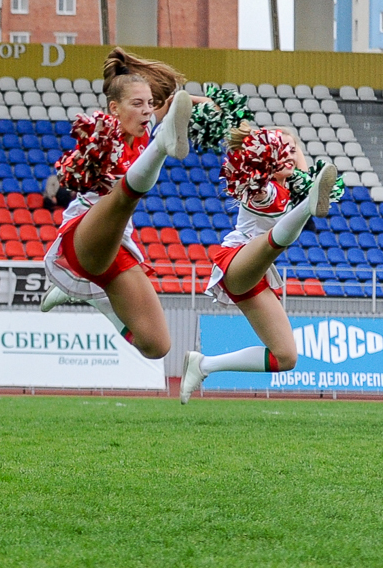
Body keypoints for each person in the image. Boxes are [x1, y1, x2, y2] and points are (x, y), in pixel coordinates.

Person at [37, 47, 194, 361]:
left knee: (156, 346)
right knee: (123, 194)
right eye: (137, 104)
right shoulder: (103, 135)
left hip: (118, 245)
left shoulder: (142, 128)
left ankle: (96, 300)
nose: (146, 111)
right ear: (114, 109)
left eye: (150, 104)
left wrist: (200, 108)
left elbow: (178, 105)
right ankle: (165, 145)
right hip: (84, 234)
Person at [181, 127, 341, 402]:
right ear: (267, 157)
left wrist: (290, 145)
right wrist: (260, 145)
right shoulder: (263, 189)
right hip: (236, 261)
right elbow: (260, 175)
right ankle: (307, 207)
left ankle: (203, 365)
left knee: (286, 357)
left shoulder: (293, 184)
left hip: (258, 274)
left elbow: (302, 164)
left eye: (293, 150)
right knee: (280, 232)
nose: (290, 155)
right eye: (283, 150)